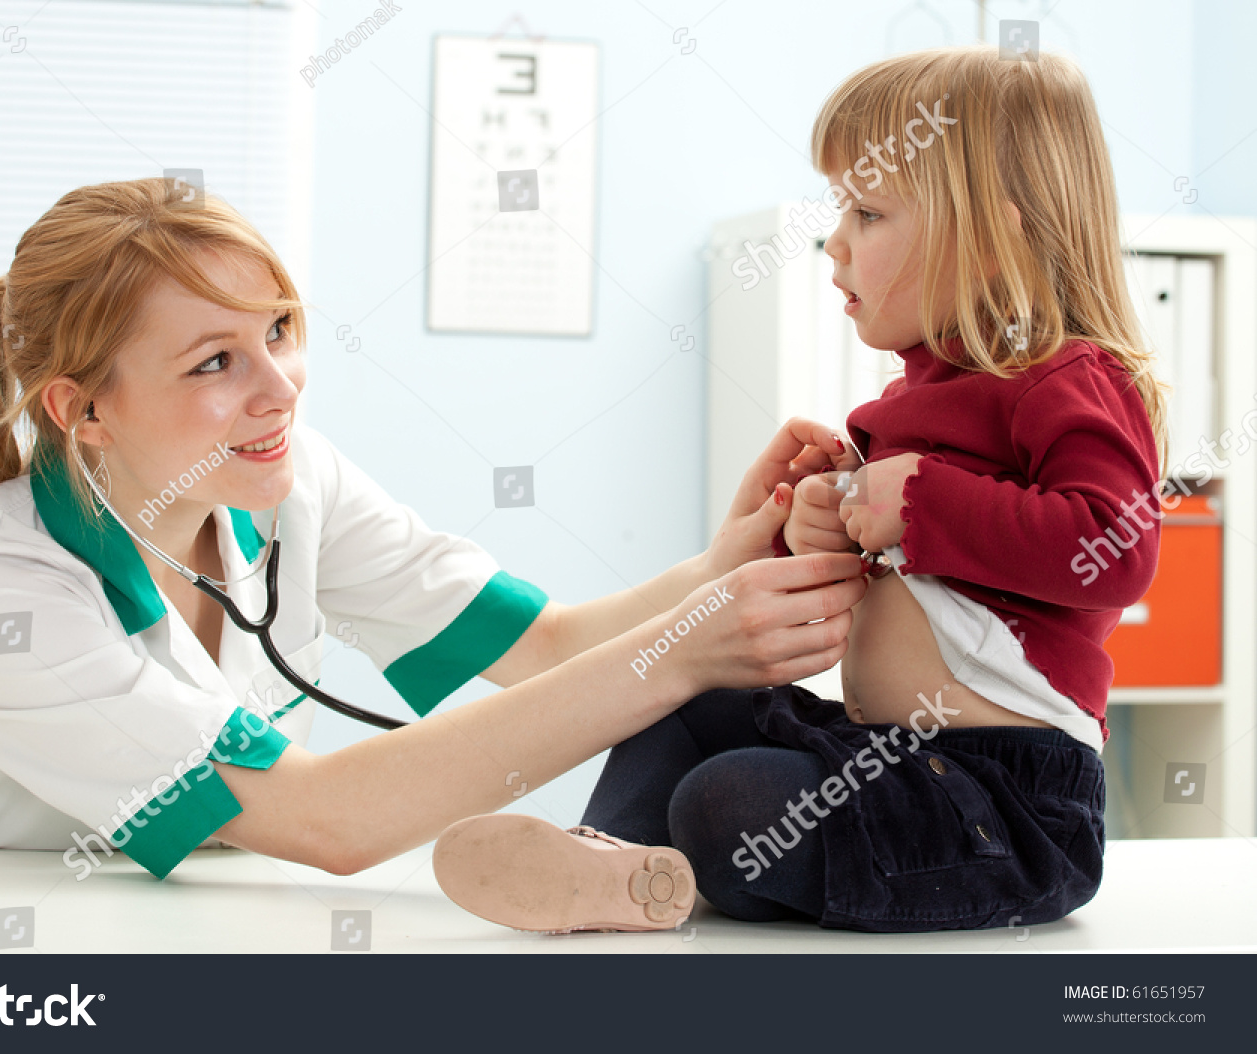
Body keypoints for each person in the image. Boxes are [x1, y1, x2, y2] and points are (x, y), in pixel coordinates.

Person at [0, 177, 870, 881]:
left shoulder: (291, 485)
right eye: (214, 362)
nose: (279, 387)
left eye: (279, 331)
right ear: (82, 410)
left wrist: (724, 565)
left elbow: (544, 647)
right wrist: (683, 653)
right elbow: (323, 817)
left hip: (203, 937)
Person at [434, 44, 1165, 934]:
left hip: (1007, 797)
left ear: (996, 237)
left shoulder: (1072, 381)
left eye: (867, 210)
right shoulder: (907, 403)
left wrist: (923, 503)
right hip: (884, 760)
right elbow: (896, 588)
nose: (835, 243)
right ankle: (609, 862)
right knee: (690, 697)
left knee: (732, 801)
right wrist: (825, 527)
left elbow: (1118, 549)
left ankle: (685, 863)